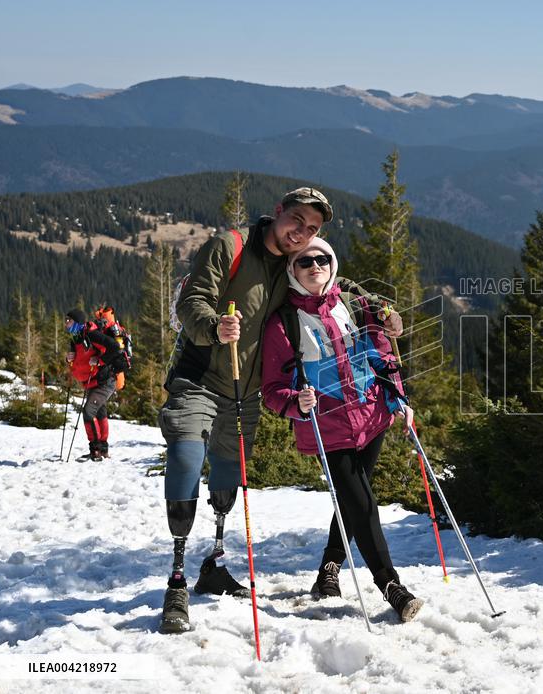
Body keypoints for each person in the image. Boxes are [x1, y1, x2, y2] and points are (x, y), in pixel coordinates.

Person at [158, 187, 403, 634]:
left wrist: (380, 307)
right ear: (278, 213)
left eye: (312, 230)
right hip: (199, 377)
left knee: (228, 476)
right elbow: (190, 301)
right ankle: (176, 578)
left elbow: (334, 286)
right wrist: (213, 326)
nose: (302, 234)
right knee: (186, 459)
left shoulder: (295, 262)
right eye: (297, 221)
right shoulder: (228, 247)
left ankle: (213, 562)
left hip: (244, 392)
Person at [261, 237, 425, 623]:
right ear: (292, 271)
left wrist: (398, 398)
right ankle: (391, 586)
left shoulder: (354, 306)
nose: (315, 265)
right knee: (362, 502)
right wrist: (293, 403)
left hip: (372, 418)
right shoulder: (282, 323)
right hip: (328, 427)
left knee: (354, 500)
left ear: (332, 263)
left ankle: (328, 571)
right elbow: (271, 390)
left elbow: (382, 356)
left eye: (322, 258)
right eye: (304, 262)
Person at [65, 308, 124, 462]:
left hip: (105, 380)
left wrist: (100, 360)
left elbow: (115, 347)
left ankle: (96, 449)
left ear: (77, 322)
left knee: (88, 412)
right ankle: (103, 450)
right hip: (93, 381)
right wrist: (69, 359)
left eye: (69, 320)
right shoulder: (76, 338)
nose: (66, 323)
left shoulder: (92, 335)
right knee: (99, 412)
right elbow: (78, 363)